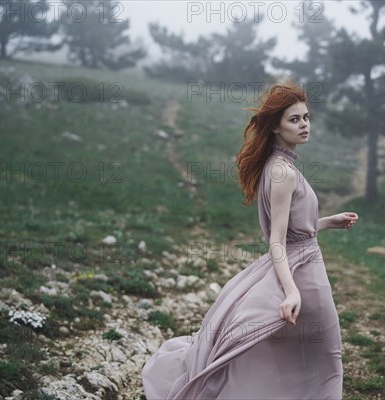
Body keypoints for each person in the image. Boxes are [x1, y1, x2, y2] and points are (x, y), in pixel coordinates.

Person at [141, 80, 359, 399]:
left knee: (304, 354)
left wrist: (327, 222)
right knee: (325, 358)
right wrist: (291, 291)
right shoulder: (282, 172)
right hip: (303, 273)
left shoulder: (281, 166)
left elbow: (298, 228)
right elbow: (277, 241)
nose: (304, 125)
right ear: (275, 127)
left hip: (305, 265)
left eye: (306, 117)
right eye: (294, 119)